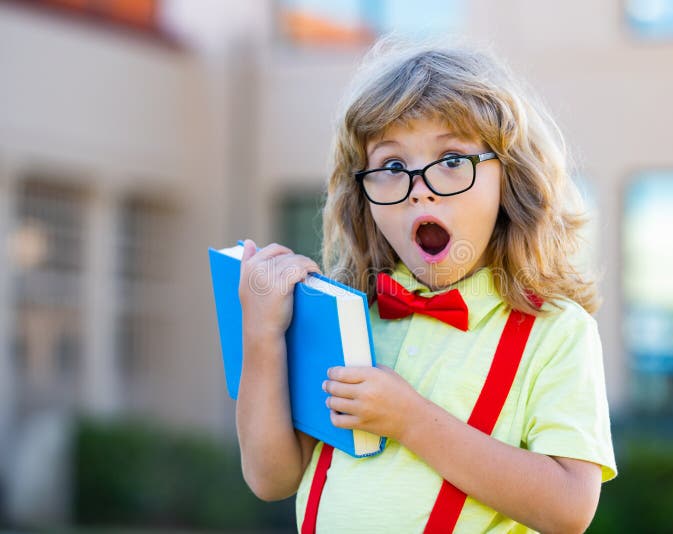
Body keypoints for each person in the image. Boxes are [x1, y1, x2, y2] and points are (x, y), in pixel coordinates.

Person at [236, 37, 617, 533]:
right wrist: (262, 337)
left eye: (453, 160)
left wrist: (410, 420)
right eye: (392, 166)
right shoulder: (347, 316)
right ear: (362, 194)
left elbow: (569, 508)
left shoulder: (556, 332)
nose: (420, 189)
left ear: (510, 179)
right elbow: (272, 477)